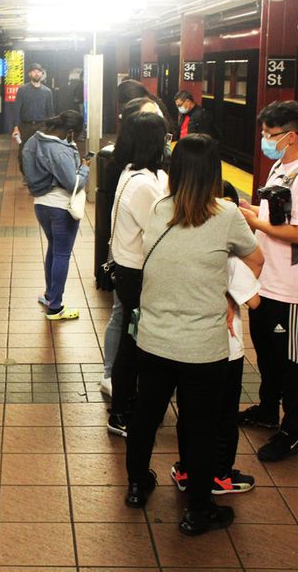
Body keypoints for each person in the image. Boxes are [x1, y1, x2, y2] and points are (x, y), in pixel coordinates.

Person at [124, 134, 263, 537]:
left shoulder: (158, 209)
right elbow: (256, 258)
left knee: (146, 416)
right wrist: (227, 294)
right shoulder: (227, 215)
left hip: (154, 339)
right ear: (214, 173)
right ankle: (198, 511)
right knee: (201, 428)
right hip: (203, 347)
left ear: (177, 169)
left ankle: (136, 486)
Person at [237, 100, 298, 461]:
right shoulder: (280, 167)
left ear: (291, 136)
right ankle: (267, 410)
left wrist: (255, 223)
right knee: (268, 353)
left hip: (290, 288)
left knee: (290, 361)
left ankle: (291, 432)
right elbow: (277, 215)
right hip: (265, 280)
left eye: (269, 133)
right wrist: (250, 210)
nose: (264, 139)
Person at [171, 181, 260, 497]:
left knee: (191, 411)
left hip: (189, 343)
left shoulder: (186, 247)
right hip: (226, 350)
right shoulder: (231, 258)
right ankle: (220, 475)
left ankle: (186, 469)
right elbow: (254, 301)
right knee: (223, 417)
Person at [104, 113, 169, 432]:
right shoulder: (142, 183)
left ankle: (128, 404)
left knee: (134, 340)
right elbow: (160, 229)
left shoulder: (135, 172)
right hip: (136, 273)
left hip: (131, 268)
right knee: (132, 345)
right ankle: (121, 412)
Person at [21, 110, 89, 320]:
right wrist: (84, 168)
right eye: (76, 135)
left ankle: (50, 295)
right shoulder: (59, 150)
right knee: (62, 254)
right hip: (61, 207)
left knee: (53, 248)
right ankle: (55, 307)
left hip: (41, 205)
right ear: (70, 131)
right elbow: (73, 183)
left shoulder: (33, 141)